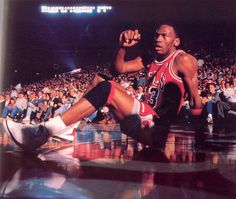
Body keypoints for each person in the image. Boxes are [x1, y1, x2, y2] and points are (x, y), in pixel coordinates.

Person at [3, 24, 202, 151]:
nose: (158, 39)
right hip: (140, 119)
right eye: (157, 35)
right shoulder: (150, 58)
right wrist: (123, 47)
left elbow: (195, 100)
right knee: (100, 80)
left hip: (155, 127)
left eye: (165, 36)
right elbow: (119, 68)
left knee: (108, 88)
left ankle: (41, 133)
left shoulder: (183, 60)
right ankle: (67, 129)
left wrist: (201, 139)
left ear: (176, 41)